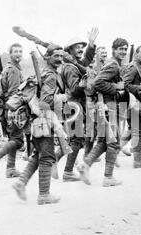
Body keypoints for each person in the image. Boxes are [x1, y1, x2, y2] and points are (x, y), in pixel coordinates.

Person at [12, 44, 66, 205]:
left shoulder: (45, 73)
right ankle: (43, 195)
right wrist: (61, 98)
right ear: (47, 57)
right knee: (47, 156)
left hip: (37, 120)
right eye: (56, 56)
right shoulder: (50, 75)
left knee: (38, 155)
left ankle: (20, 183)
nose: (59, 59)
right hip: (43, 119)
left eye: (61, 56)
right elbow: (46, 101)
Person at [77, 38, 129, 186]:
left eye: (125, 49)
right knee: (113, 143)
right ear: (114, 50)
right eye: (121, 49)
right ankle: (108, 177)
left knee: (104, 142)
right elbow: (98, 82)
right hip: (108, 107)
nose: (124, 52)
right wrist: (116, 88)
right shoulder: (113, 64)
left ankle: (85, 165)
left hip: (103, 107)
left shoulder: (112, 63)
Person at [52, 28, 98, 181]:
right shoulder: (71, 68)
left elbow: (87, 60)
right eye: (77, 47)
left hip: (73, 106)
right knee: (77, 139)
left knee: (74, 139)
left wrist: (91, 44)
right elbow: (74, 89)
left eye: (82, 47)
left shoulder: (76, 64)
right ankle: (68, 172)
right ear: (69, 50)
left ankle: (55, 160)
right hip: (74, 106)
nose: (81, 49)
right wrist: (84, 84)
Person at [0, 43, 25, 178]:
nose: (19, 54)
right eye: (16, 51)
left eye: (20, 51)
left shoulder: (10, 68)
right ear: (10, 54)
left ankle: (11, 169)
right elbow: (14, 92)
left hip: (8, 108)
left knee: (13, 138)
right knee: (18, 141)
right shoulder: (13, 70)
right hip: (15, 108)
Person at [120, 45, 141, 168]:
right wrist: (140, 88)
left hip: (136, 103)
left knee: (135, 129)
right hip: (131, 103)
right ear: (136, 54)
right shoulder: (133, 67)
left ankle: (115, 151)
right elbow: (124, 85)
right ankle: (137, 160)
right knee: (138, 130)